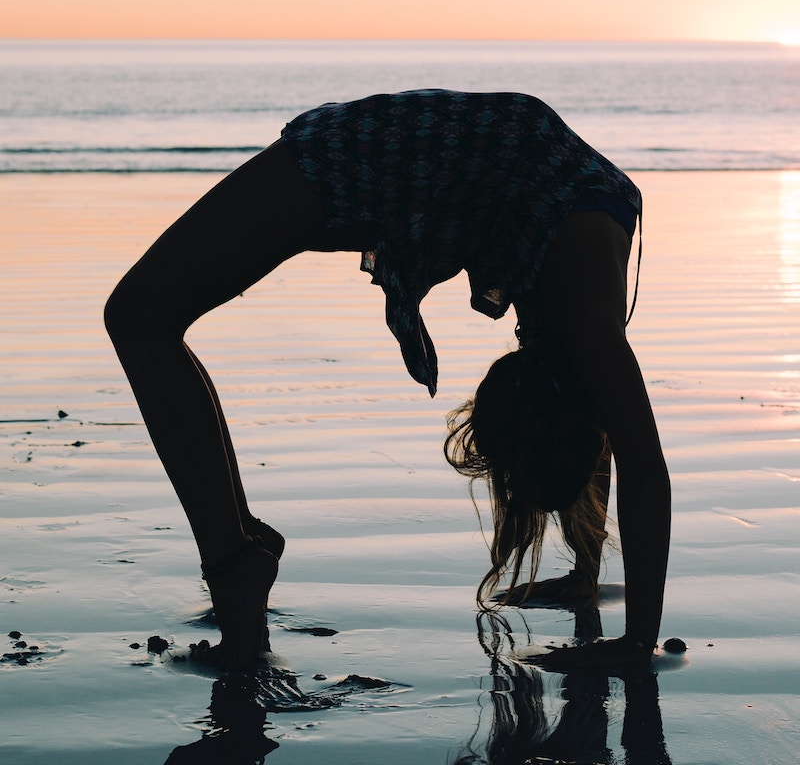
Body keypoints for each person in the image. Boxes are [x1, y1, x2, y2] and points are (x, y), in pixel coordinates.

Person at [104, 89, 670, 671]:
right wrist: (637, 641)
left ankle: (236, 556)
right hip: (357, 157)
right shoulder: (584, 310)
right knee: (137, 316)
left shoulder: (573, 334)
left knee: (144, 317)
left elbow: (600, 412)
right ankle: (234, 561)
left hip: (401, 151)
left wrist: (587, 577)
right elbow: (642, 462)